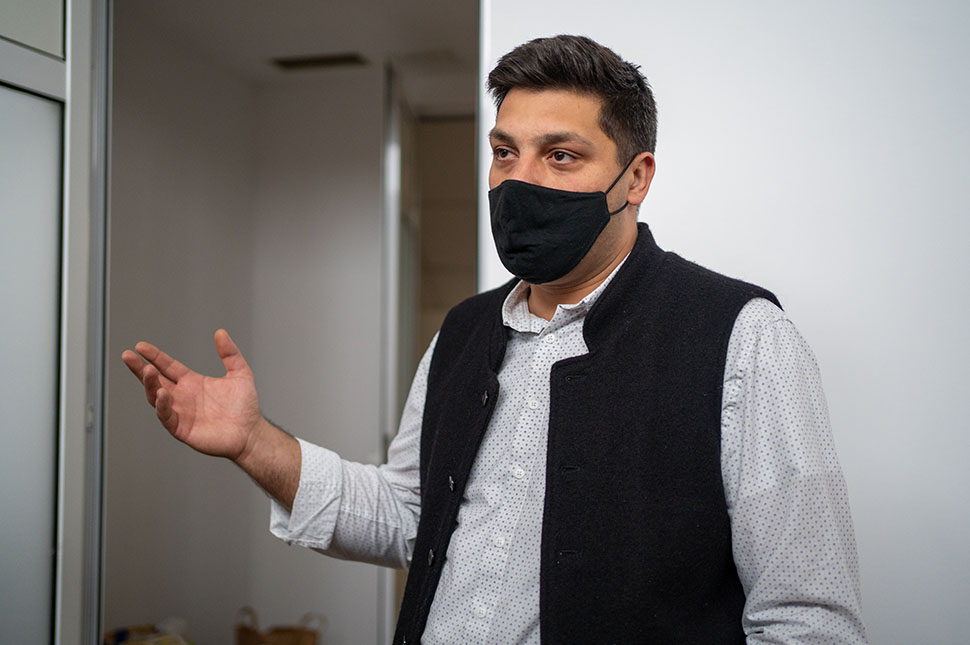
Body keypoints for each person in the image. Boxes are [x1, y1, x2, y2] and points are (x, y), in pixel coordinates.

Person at [123, 35, 866, 644]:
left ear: (635, 178)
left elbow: (806, 621)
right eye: (505, 152)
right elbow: (410, 518)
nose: (519, 181)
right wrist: (255, 442)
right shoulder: (463, 332)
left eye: (560, 155)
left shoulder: (743, 339)